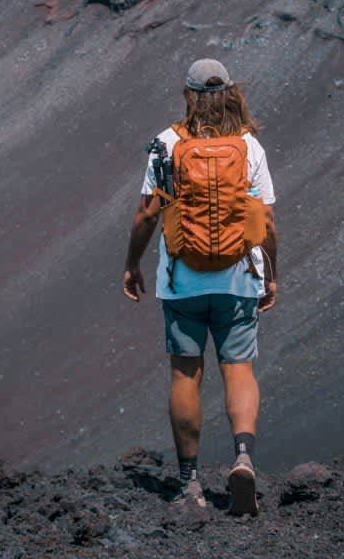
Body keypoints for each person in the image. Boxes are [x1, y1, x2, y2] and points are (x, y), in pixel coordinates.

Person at [123, 58, 277, 516]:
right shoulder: (249, 146)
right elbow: (265, 220)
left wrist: (132, 264)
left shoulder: (167, 144)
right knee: (239, 370)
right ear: (229, 92)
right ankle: (244, 458)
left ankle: (189, 482)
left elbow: (148, 214)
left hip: (182, 280)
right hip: (238, 278)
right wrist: (270, 273)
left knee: (185, 374)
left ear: (188, 94)